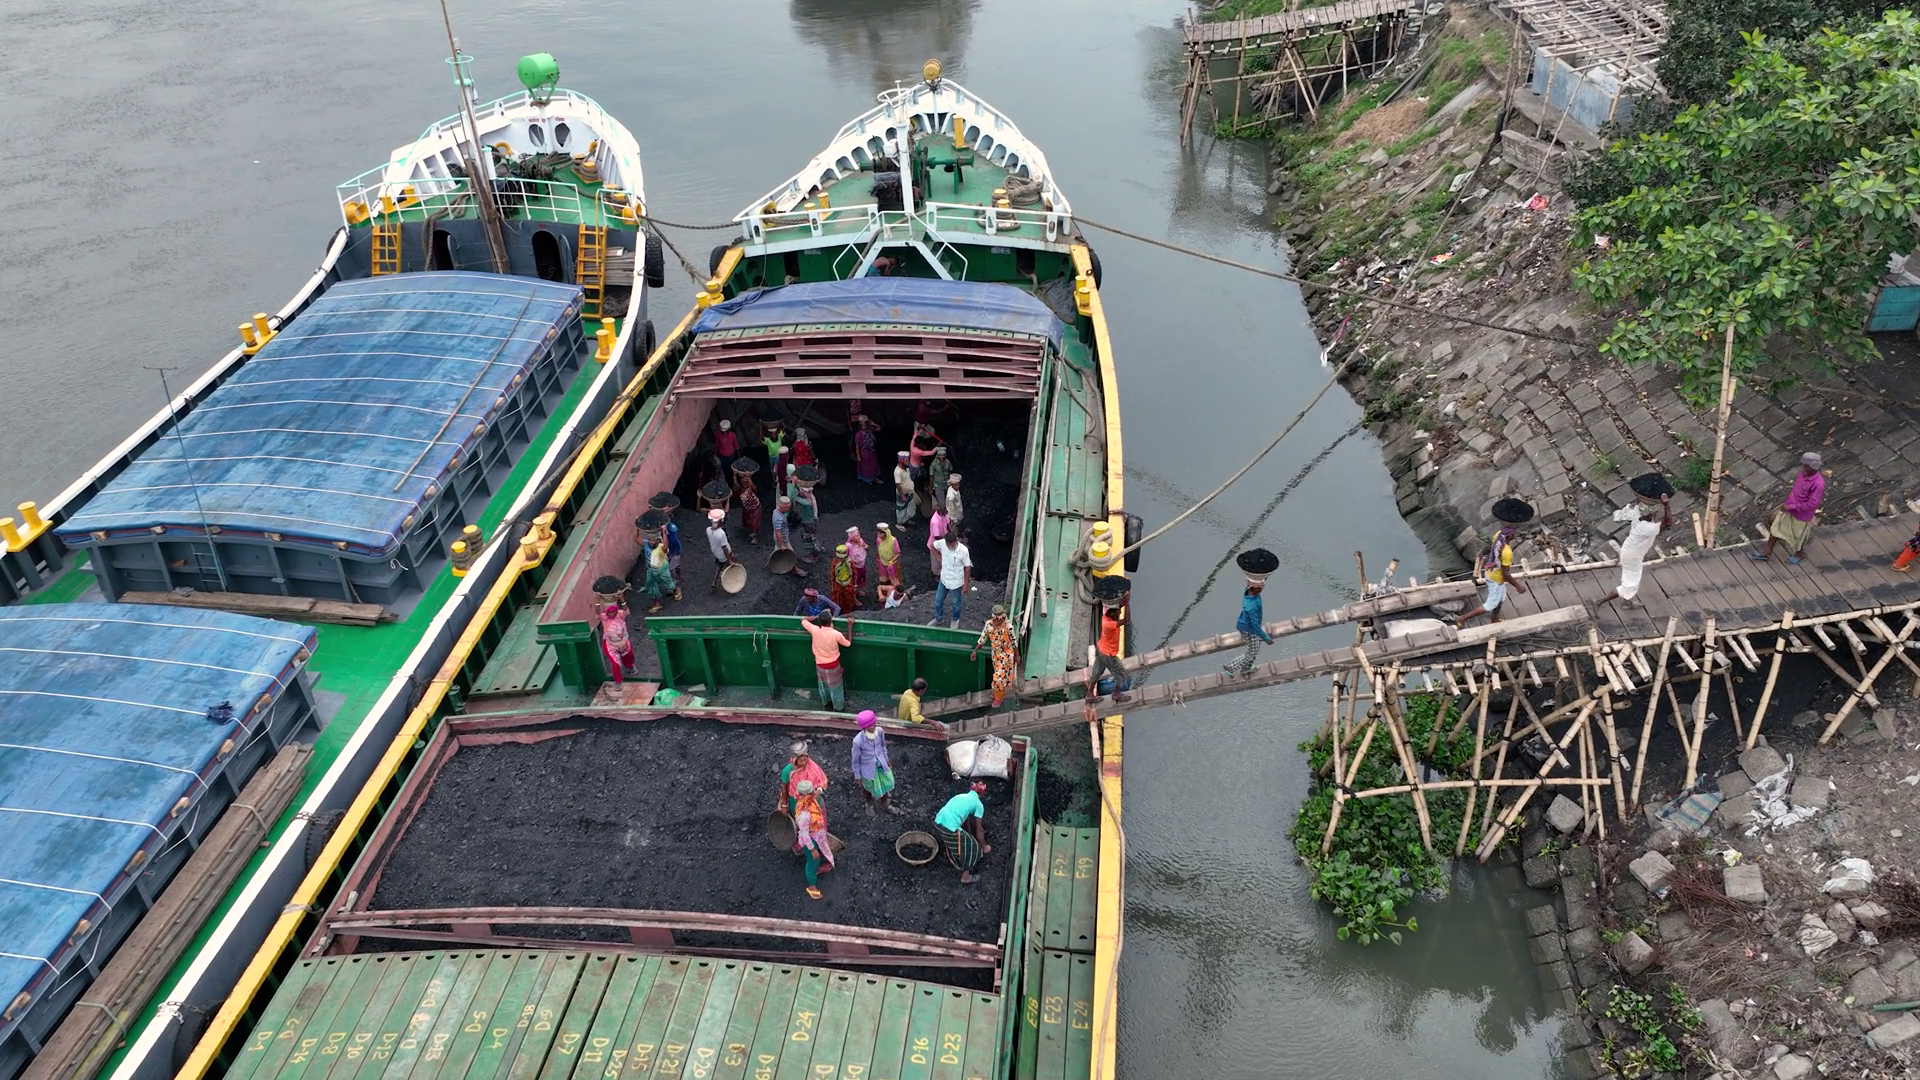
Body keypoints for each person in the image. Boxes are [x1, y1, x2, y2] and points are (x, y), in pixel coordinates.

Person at [1450, 499, 1532, 626]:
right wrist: (1518, 586)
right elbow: (1505, 574)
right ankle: (1462, 618)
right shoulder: (1507, 552)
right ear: (1510, 536)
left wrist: (1483, 552)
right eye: (1514, 534)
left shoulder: (1498, 536)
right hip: (1496, 578)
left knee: (1500, 598)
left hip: (1492, 572)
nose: (1515, 536)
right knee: (1490, 604)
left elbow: (1491, 547)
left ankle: (1495, 619)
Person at [1598, 474, 1672, 608]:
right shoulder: (1645, 527)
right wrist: (1666, 505)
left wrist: (1638, 486)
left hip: (1630, 551)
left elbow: (1640, 500)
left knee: (1629, 580)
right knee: (1630, 585)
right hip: (1632, 556)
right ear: (1651, 513)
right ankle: (1600, 601)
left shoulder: (1638, 513)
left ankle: (1627, 602)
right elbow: (1667, 523)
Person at [1752, 451, 1826, 564]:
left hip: (1801, 515)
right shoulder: (1802, 474)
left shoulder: (1818, 484)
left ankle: (1799, 553)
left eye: (1806, 466)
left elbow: (1812, 504)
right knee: (1775, 528)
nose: (1803, 468)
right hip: (1788, 508)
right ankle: (1767, 551)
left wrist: (1792, 506)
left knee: (1797, 537)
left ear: (1813, 467)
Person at [933, 781, 991, 884]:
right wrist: (984, 846)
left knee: (962, 840)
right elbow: (979, 829)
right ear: (982, 794)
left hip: (938, 822)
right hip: (949, 828)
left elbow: (965, 817)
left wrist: (968, 832)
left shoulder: (962, 796)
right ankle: (966, 877)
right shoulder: (978, 804)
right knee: (972, 847)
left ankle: (955, 854)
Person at [849, 710, 898, 816]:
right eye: (871, 726)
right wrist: (857, 776)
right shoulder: (858, 741)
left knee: (885, 785)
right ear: (864, 728)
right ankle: (869, 804)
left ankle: (884, 804)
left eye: (874, 723)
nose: (874, 727)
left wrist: (886, 759)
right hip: (867, 771)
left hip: (881, 766)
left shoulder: (879, 731)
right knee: (868, 788)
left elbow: (883, 746)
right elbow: (855, 760)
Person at [792, 779, 834, 900]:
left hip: (817, 835)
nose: (815, 793)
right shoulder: (804, 814)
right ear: (808, 794)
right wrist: (812, 850)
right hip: (810, 840)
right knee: (812, 861)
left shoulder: (806, 801)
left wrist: (821, 787)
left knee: (816, 858)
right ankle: (811, 886)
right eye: (813, 791)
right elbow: (805, 835)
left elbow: (817, 794)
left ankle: (817, 868)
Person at [971, 603, 1020, 708]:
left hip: (1006, 655)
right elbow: (983, 638)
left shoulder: (1008, 627)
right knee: (1000, 676)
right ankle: (999, 691)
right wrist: (975, 651)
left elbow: (1014, 642)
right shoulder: (989, 625)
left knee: (998, 678)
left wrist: (1017, 655)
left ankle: (998, 697)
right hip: (995, 655)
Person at [803, 611, 853, 710]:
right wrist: (850, 626)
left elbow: (803, 620)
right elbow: (848, 644)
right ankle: (838, 708)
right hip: (833, 666)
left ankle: (826, 703)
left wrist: (816, 617)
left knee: (823, 686)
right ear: (831, 621)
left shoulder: (815, 630)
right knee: (836, 688)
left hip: (820, 665)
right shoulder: (835, 634)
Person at [1223, 580, 1272, 678]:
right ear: (1255, 589)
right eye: (1260, 588)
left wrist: (1261, 577)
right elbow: (1255, 626)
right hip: (1250, 631)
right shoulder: (1251, 607)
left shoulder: (1248, 591)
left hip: (1243, 626)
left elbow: (1252, 581)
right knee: (1251, 653)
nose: (1262, 589)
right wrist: (1266, 638)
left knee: (1254, 649)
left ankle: (1246, 667)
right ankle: (1230, 668)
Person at [1087, 601, 1131, 703]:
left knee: (1096, 672)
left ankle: (1089, 694)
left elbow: (1118, 606)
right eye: (1118, 611)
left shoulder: (1106, 617)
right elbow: (1127, 620)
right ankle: (1116, 693)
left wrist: (1124, 601)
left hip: (1101, 650)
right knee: (1121, 674)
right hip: (1109, 655)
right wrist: (1127, 603)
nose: (1120, 612)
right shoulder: (1109, 624)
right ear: (1112, 613)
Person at [931, 532, 971, 629]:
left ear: (956, 541)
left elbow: (967, 568)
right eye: (948, 545)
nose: (950, 547)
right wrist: (938, 557)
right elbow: (932, 546)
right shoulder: (942, 543)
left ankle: (955, 619)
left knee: (956, 602)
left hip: (956, 581)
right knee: (938, 600)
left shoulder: (963, 550)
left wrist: (965, 584)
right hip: (944, 579)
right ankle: (939, 618)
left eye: (952, 545)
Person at [598, 594, 635, 682]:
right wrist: (597, 602)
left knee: (629, 656)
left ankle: (630, 666)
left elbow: (625, 610)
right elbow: (597, 613)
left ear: (616, 610)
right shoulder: (604, 618)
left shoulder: (620, 615)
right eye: (609, 612)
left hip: (623, 642)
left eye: (614, 611)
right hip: (611, 644)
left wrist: (622, 599)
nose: (612, 614)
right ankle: (618, 681)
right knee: (615, 664)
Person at [787, 465, 821, 559]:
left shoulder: (805, 501)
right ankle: (816, 549)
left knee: (807, 539)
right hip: (811, 520)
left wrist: (792, 485)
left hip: (808, 522)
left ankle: (813, 556)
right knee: (811, 537)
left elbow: (792, 497)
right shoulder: (810, 496)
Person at [642, 532, 678, 613]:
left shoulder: (661, 547)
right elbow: (636, 538)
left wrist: (664, 533)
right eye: (650, 540)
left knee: (668, 583)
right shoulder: (646, 545)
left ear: (658, 540)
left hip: (661, 568)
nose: (651, 542)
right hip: (651, 569)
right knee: (651, 586)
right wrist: (637, 529)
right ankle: (656, 603)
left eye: (653, 540)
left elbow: (665, 546)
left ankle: (676, 590)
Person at [705, 509, 736, 591]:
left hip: (716, 552)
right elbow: (724, 548)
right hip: (723, 554)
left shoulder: (708, 530)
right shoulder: (721, 534)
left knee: (719, 565)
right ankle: (730, 579)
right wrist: (730, 560)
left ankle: (714, 581)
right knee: (727, 565)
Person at [828, 544, 862, 614]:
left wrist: (855, 585)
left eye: (841, 557)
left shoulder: (850, 562)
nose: (840, 559)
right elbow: (832, 574)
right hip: (838, 583)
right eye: (839, 557)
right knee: (837, 597)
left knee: (848, 598)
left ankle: (847, 612)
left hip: (848, 583)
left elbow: (854, 573)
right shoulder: (835, 563)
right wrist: (832, 585)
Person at [735, 468, 762, 545]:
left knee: (755, 523)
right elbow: (735, 486)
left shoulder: (751, 487)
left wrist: (749, 478)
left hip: (755, 507)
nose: (744, 481)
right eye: (743, 479)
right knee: (748, 521)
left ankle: (754, 537)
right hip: (746, 508)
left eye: (746, 479)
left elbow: (754, 488)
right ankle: (750, 531)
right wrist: (734, 475)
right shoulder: (739, 488)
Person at [875, 522, 902, 590]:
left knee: (893, 578)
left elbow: (897, 553)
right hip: (882, 562)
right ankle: (885, 592)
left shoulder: (893, 540)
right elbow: (878, 550)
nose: (879, 535)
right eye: (878, 533)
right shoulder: (878, 539)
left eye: (880, 534)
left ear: (886, 533)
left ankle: (896, 592)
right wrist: (878, 561)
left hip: (891, 563)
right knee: (883, 578)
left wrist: (891, 561)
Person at [854, 415, 880, 484]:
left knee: (873, 465)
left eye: (865, 425)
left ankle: (875, 477)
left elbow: (878, 429)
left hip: (872, 451)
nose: (864, 427)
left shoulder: (870, 430)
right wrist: (858, 456)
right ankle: (868, 479)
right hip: (864, 453)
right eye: (863, 425)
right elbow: (857, 446)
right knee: (866, 467)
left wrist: (873, 423)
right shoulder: (858, 434)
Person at [893, 451, 917, 526]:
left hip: (909, 492)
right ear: (901, 461)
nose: (908, 462)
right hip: (903, 494)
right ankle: (899, 524)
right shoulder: (897, 472)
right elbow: (898, 485)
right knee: (901, 509)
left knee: (911, 509)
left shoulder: (906, 468)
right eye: (906, 461)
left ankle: (906, 520)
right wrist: (902, 495)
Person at [928, 446, 953, 512]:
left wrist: (950, 482)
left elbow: (949, 472)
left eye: (943, 455)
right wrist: (930, 488)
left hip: (947, 484)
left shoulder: (948, 462)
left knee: (950, 501)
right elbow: (931, 477)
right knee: (942, 503)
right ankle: (943, 514)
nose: (942, 456)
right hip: (938, 484)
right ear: (938, 455)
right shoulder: (934, 464)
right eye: (940, 455)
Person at [926, 506, 950, 575]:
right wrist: (948, 539)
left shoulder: (944, 515)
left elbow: (948, 524)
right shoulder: (935, 521)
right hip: (935, 544)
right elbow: (936, 536)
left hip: (944, 541)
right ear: (940, 510)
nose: (946, 511)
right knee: (936, 562)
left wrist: (951, 533)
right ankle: (936, 574)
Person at [943, 474, 965, 539]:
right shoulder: (951, 496)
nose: (958, 486)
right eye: (956, 485)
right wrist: (954, 519)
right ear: (952, 484)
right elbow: (951, 509)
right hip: (954, 517)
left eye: (958, 484)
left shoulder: (954, 489)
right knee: (953, 530)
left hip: (958, 512)